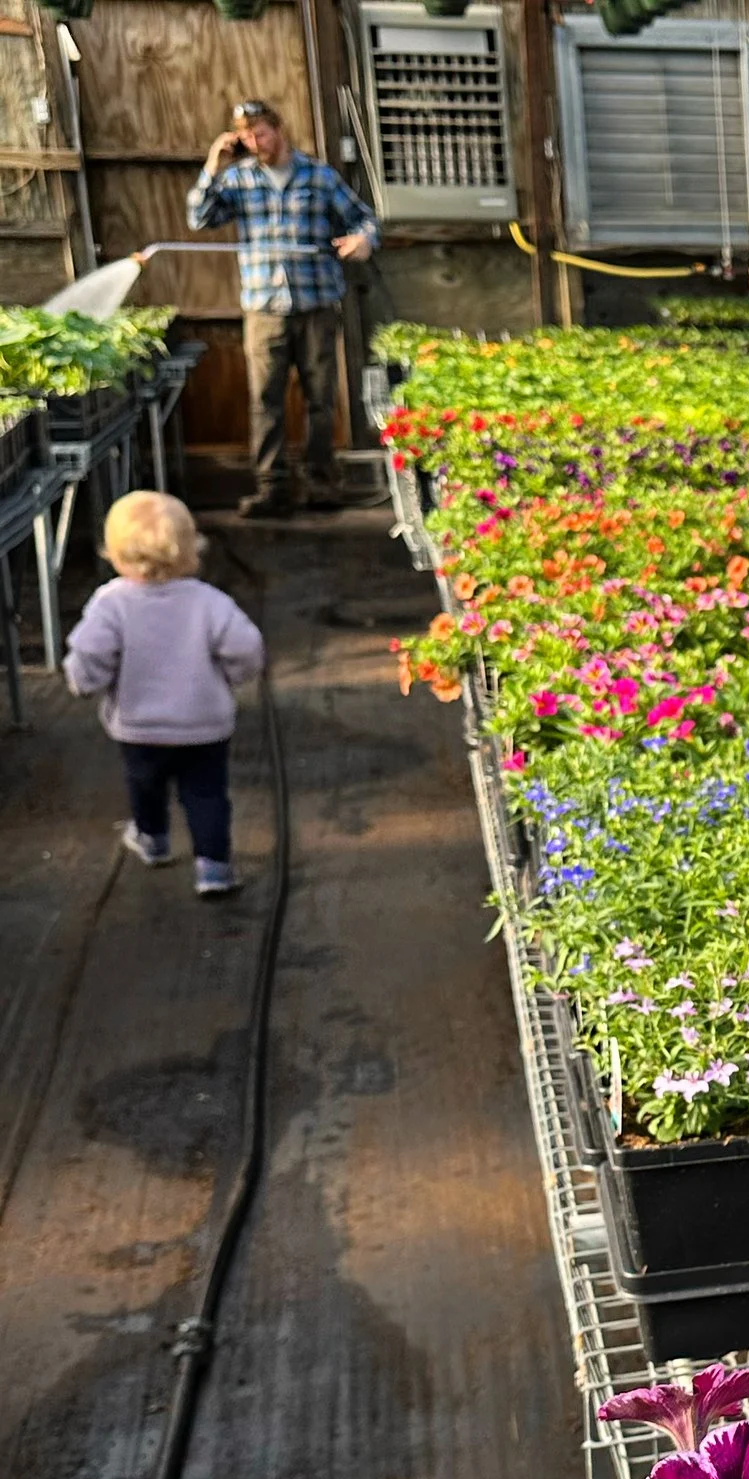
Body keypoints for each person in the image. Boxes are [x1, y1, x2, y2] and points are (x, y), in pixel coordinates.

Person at [64, 492, 265, 898]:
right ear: (191, 550)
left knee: (145, 785)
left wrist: (84, 682)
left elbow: (90, 651)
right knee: (206, 794)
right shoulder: (209, 602)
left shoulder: (112, 603)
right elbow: (246, 647)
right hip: (203, 725)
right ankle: (214, 867)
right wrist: (235, 677)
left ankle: (153, 839)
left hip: (140, 726)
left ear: (115, 552)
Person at [186, 99, 378, 519]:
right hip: (264, 308)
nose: (256, 142)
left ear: (279, 128)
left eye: (262, 133)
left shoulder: (319, 176)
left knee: (321, 399)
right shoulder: (238, 180)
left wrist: (363, 241)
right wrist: (212, 166)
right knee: (265, 401)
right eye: (247, 136)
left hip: (316, 304)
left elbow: (364, 219)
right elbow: (200, 218)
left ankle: (322, 485)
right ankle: (272, 488)